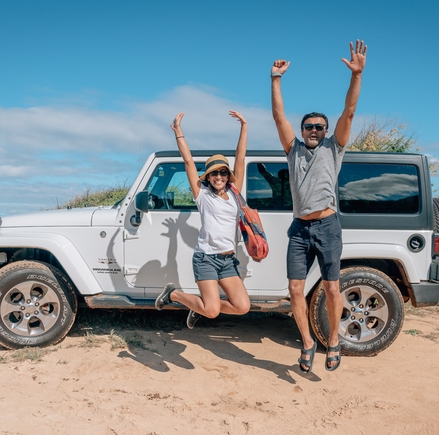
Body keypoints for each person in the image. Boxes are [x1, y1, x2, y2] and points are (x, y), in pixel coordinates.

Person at [270, 39, 368, 373]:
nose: (314, 130)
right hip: (300, 229)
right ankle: (308, 343)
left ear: (326, 131)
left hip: (327, 226)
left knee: (330, 287)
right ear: (302, 131)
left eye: (319, 127)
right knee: (294, 289)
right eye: (309, 127)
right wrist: (275, 79)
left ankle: (334, 341)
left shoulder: (333, 148)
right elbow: (278, 114)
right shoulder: (292, 149)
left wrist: (356, 75)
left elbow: (349, 112)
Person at [154, 111, 251, 329]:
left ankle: (198, 306)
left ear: (228, 175)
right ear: (208, 176)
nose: (219, 177)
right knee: (212, 311)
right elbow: (188, 161)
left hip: (227, 261)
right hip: (206, 259)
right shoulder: (202, 195)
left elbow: (241, 158)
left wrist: (244, 127)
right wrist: (178, 132)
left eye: (223, 173)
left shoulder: (235, 193)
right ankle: (175, 294)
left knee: (242, 307)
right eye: (214, 173)